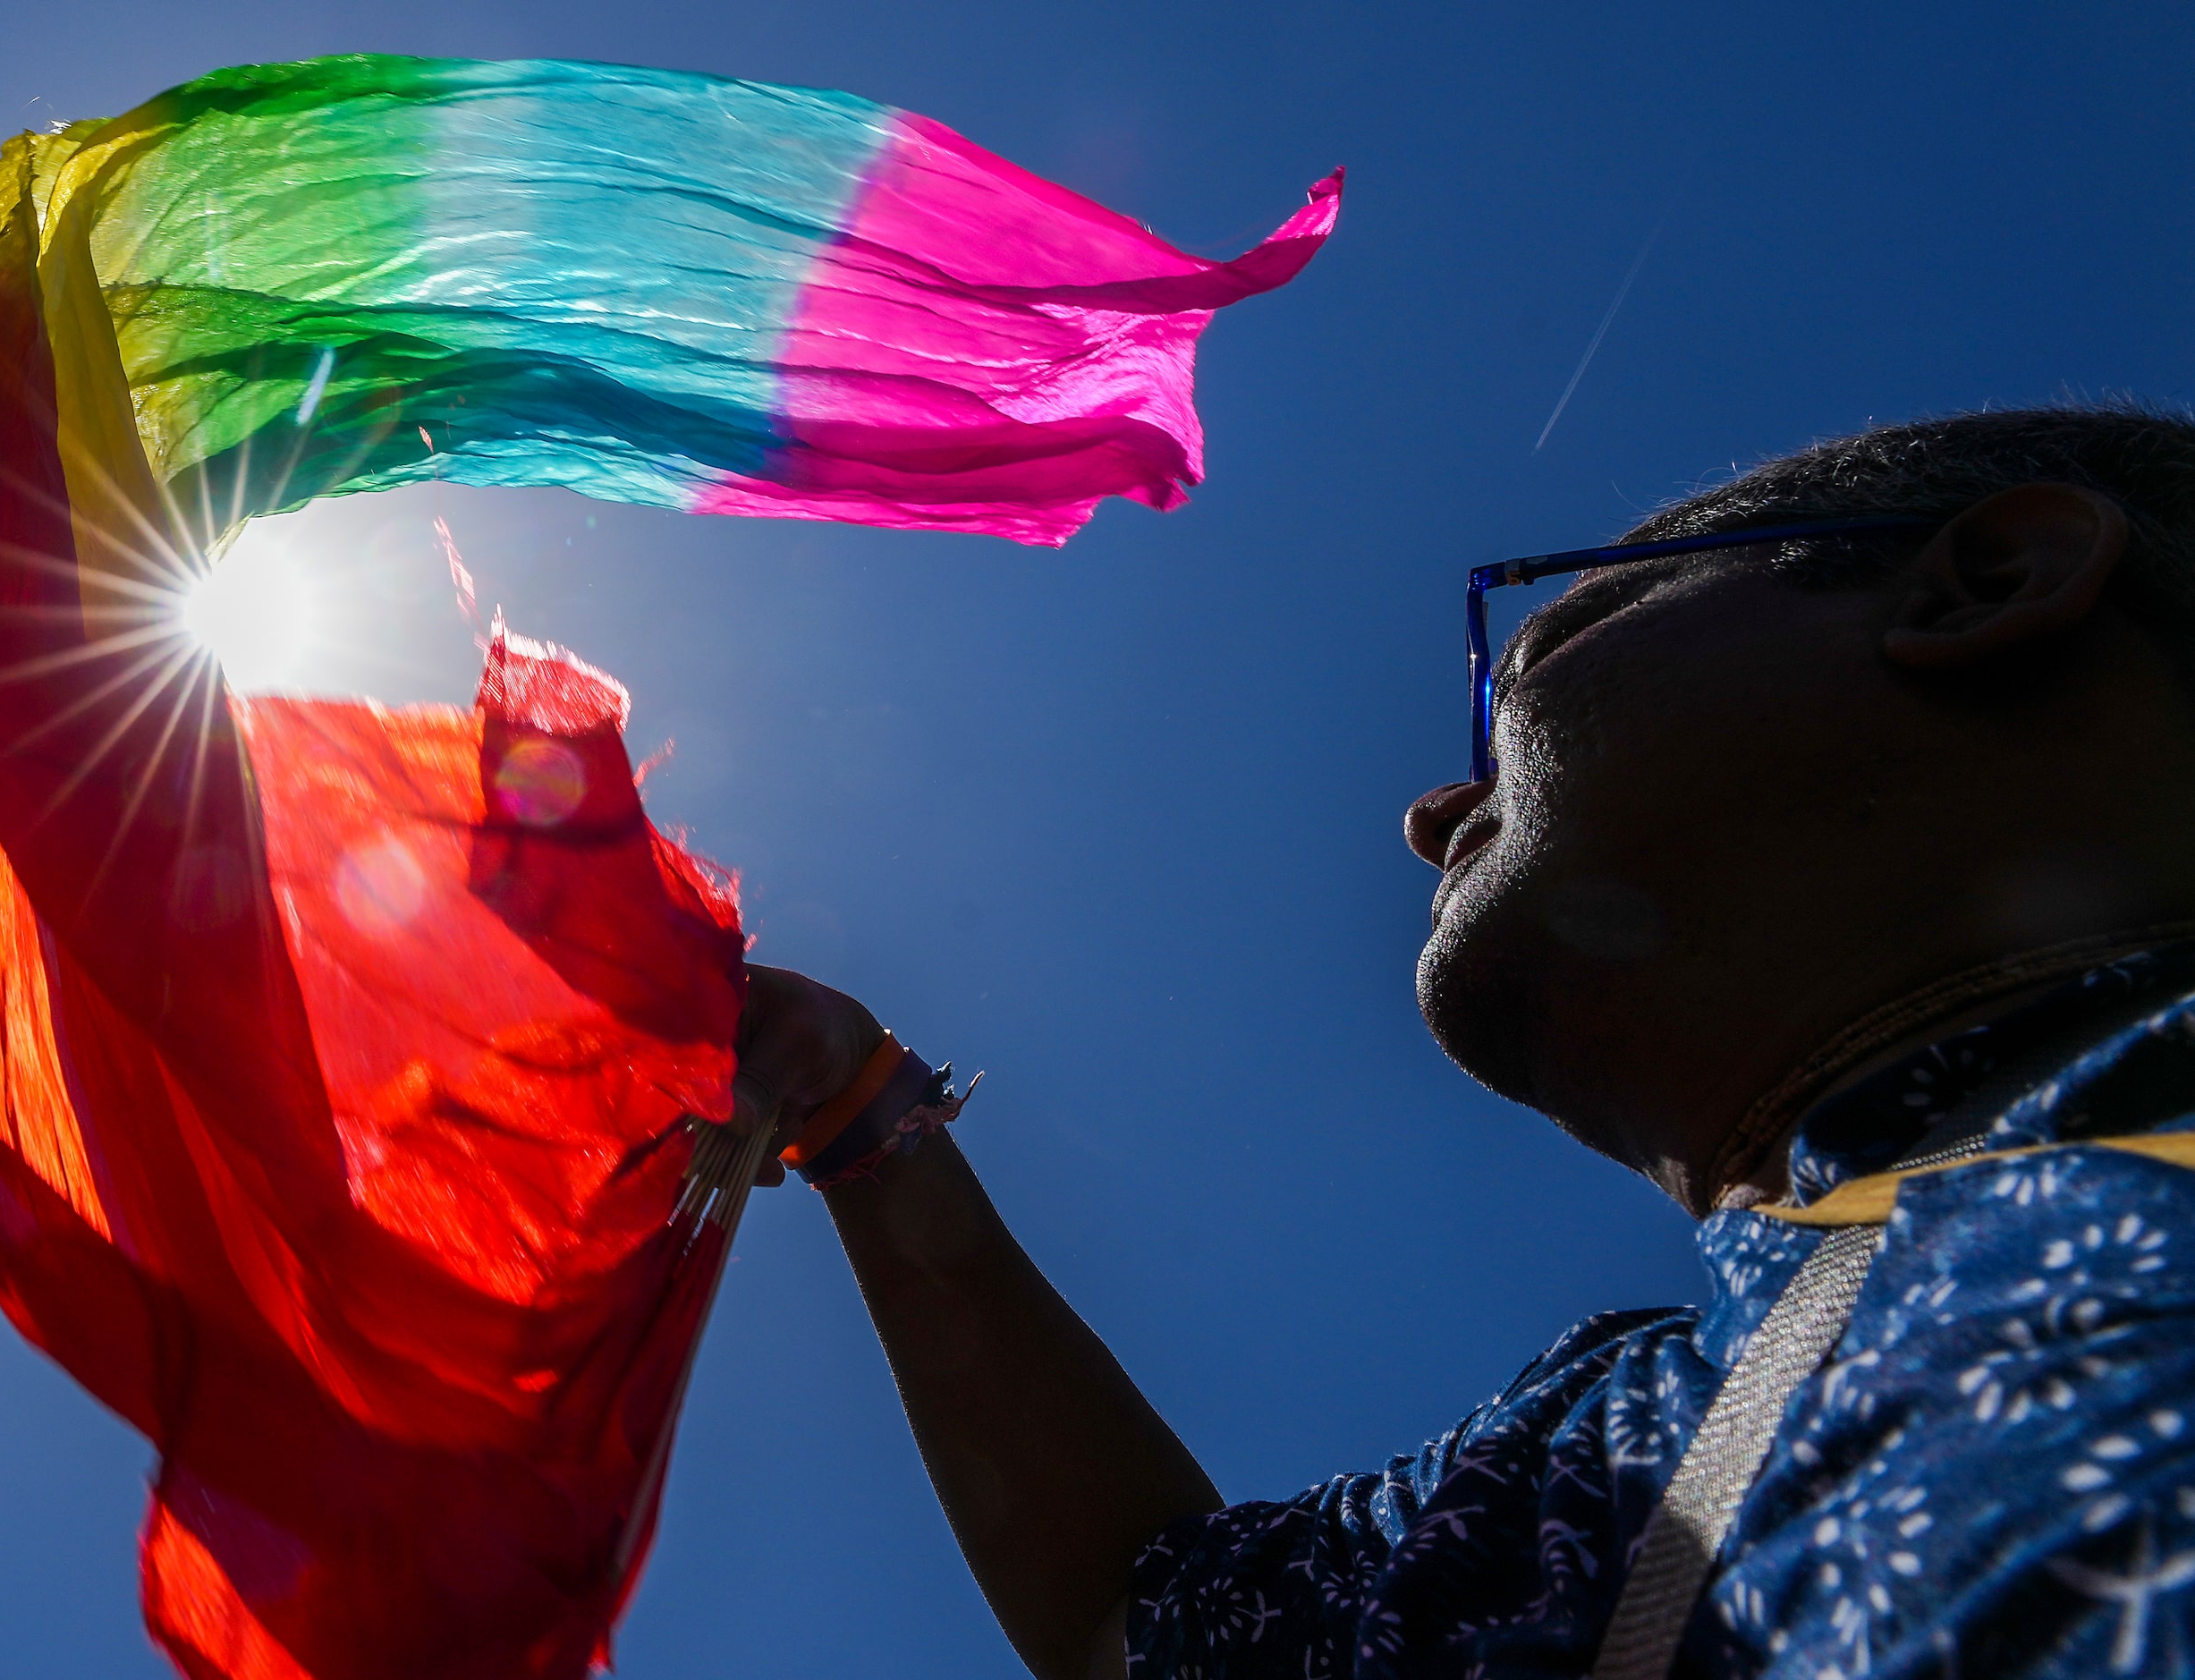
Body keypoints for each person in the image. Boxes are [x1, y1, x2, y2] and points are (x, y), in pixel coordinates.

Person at [730, 404, 2195, 1679]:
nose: (1431, 812)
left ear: (1987, 581)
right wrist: (859, 1111)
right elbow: (1136, 1624)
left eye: (1535, 657)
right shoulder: (1612, 1451)